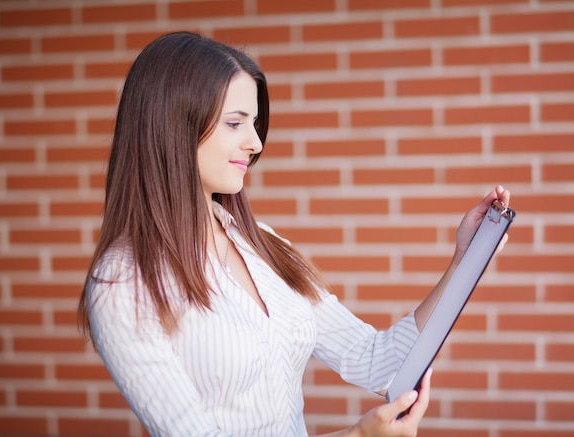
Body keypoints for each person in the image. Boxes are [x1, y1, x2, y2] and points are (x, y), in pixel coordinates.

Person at [77, 31, 510, 437]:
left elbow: (378, 363)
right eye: (235, 123)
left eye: (255, 124)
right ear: (174, 126)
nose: (256, 143)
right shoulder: (122, 284)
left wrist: (464, 262)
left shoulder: (262, 244)